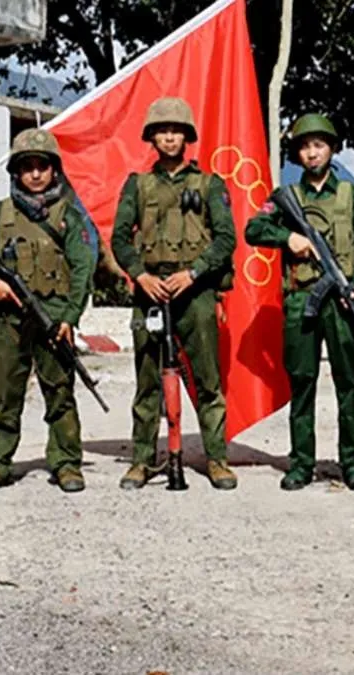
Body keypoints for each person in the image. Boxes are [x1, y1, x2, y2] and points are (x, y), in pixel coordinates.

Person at [244, 113, 354, 491]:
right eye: (305, 147)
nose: (312, 153)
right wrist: (288, 239)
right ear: (297, 154)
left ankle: (353, 464)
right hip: (301, 300)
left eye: (319, 145)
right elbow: (254, 229)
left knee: (349, 384)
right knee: (302, 383)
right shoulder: (287, 198)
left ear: (332, 149)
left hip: (343, 301)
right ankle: (301, 463)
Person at [110, 97, 238, 490]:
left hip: (195, 292)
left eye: (176, 131)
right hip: (150, 291)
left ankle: (216, 459)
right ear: (151, 137)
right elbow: (120, 238)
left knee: (207, 380)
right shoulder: (137, 185)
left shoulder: (209, 184)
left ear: (187, 137)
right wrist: (139, 275)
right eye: (162, 131)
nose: (169, 137)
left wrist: (194, 273)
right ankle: (141, 460)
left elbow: (226, 238)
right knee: (147, 380)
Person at [0, 128, 95, 493]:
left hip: (53, 318)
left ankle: (66, 463)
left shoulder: (69, 216)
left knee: (60, 392)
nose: (35, 174)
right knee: (7, 394)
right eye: (27, 167)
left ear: (54, 170)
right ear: (16, 172)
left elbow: (82, 269)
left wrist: (70, 318)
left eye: (42, 166)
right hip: (11, 318)